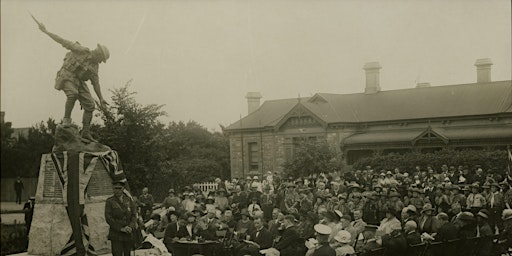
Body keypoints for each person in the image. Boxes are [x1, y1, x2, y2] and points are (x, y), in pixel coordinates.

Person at [37, 21, 109, 142]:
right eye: (101, 58)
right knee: (73, 94)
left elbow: (96, 83)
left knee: (90, 105)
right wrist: (46, 31)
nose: (101, 61)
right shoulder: (81, 50)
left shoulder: (95, 66)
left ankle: (86, 133)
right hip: (67, 75)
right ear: (98, 53)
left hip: (79, 81)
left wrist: (101, 98)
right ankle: (66, 120)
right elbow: (62, 41)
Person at [105, 181, 137, 256]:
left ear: (123, 189)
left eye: (119, 188)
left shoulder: (128, 200)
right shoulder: (110, 201)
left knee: (127, 254)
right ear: (113, 189)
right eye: (115, 188)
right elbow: (108, 218)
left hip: (128, 233)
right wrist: (120, 228)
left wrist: (130, 226)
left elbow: (134, 215)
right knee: (117, 254)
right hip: (116, 234)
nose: (117, 190)